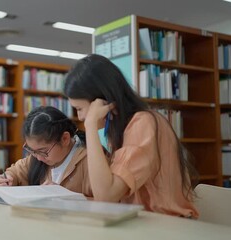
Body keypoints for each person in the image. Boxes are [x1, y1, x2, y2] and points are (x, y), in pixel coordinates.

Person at [63, 54, 199, 218]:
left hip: (166, 224)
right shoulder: (119, 129)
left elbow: (106, 196)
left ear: (101, 101)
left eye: (79, 108)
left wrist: (91, 125)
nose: (80, 117)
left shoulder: (143, 124)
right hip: (144, 221)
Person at [0, 106, 92, 197]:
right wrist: (8, 178)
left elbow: (103, 200)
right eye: (32, 150)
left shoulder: (89, 161)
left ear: (65, 139)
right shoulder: (38, 157)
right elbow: (16, 171)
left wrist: (64, 194)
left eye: (43, 151)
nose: (38, 158)